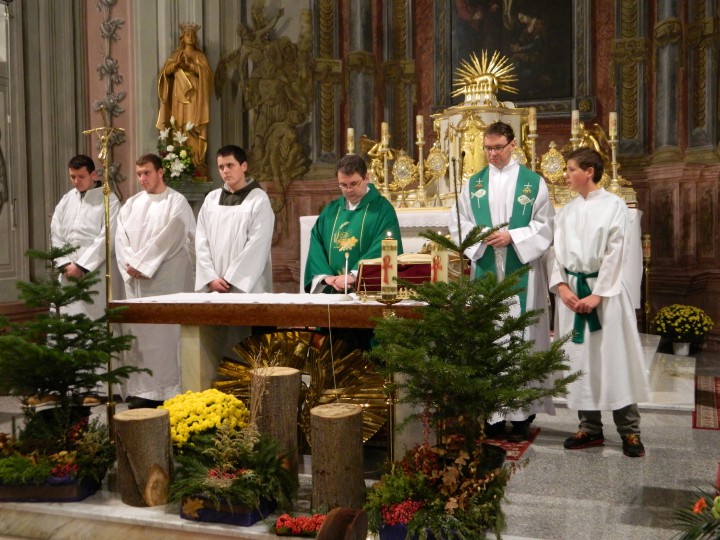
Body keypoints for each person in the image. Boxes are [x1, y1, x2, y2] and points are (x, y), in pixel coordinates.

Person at [449, 121, 554, 442]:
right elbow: (458, 222)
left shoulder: (532, 183)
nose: (492, 154)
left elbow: (545, 224)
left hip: (521, 269)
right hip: (486, 269)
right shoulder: (473, 184)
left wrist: (513, 236)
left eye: (498, 148)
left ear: (512, 145)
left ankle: (522, 416)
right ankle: (492, 414)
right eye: (488, 148)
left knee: (522, 339)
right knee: (490, 337)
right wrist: (481, 236)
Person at [549, 147, 649, 458]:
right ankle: (589, 427)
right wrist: (562, 287)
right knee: (580, 361)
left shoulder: (613, 205)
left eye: (570, 169)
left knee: (614, 359)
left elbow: (617, 250)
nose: (565, 176)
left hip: (605, 297)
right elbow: (555, 253)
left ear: (589, 171)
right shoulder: (566, 211)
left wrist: (597, 294)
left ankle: (630, 430)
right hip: (573, 295)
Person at [115, 154, 196, 408]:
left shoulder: (176, 202)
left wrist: (143, 264)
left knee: (165, 339)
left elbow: (172, 236)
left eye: (147, 173)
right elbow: (120, 239)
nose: (142, 178)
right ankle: (143, 392)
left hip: (167, 281)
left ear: (160, 172)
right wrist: (131, 266)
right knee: (139, 340)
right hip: (137, 284)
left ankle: (168, 392)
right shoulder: (130, 205)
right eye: (139, 174)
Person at [304, 154, 403, 294]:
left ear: (366, 178)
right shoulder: (331, 211)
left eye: (353, 184)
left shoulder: (382, 209)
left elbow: (385, 245)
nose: (348, 190)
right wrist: (326, 277)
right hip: (333, 291)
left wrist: (354, 275)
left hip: (368, 293)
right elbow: (317, 244)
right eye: (343, 185)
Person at [195, 145, 274, 293]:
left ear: (244, 166)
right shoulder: (211, 199)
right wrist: (210, 278)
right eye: (221, 167)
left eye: (230, 165)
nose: (225, 171)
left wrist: (232, 278)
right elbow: (201, 241)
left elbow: (258, 243)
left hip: (247, 286)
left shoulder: (258, 199)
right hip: (214, 284)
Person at [51, 154, 119, 320]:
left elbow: (107, 236)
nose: (76, 181)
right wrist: (65, 263)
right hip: (67, 270)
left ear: (93, 175)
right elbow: (56, 234)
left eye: (81, 176)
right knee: (66, 320)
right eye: (72, 177)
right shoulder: (66, 200)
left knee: (92, 319)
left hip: (95, 269)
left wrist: (81, 266)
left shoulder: (109, 200)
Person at [156, 22, 213, 178]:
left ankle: (195, 163)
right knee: (179, 127)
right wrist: (176, 65)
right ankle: (178, 162)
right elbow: (165, 73)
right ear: (183, 37)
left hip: (195, 97)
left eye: (193, 35)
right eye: (188, 34)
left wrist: (192, 66)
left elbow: (208, 76)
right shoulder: (176, 55)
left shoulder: (200, 56)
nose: (191, 37)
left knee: (193, 127)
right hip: (178, 97)